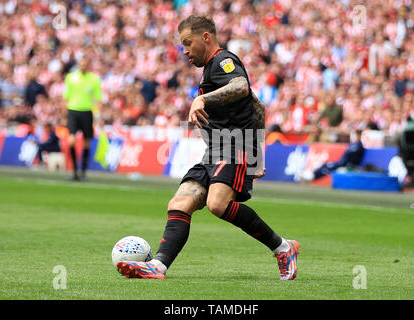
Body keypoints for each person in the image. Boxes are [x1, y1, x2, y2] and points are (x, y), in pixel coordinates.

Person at [116, 15, 300, 280]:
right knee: (180, 202)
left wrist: (201, 99)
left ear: (205, 37)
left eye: (187, 43)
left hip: (234, 147)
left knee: (217, 204)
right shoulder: (210, 70)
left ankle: (283, 247)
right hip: (214, 151)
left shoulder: (223, 61)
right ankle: (158, 266)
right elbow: (257, 106)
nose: (185, 51)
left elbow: (241, 86)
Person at [62, 57, 102, 181]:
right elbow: (66, 96)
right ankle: (74, 171)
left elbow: (98, 98)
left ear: (88, 65)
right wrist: (64, 114)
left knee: (86, 142)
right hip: (73, 111)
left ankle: (83, 172)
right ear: (79, 65)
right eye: (81, 64)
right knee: (71, 141)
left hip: (87, 111)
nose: (83, 66)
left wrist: (98, 115)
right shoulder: (71, 78)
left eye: (85, 64)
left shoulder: (94, 79)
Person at [301, 129, 365, 181]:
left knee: (329, 167)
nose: (354, 136)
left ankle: (313, 176)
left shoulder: (359, 145)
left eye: (356, 134)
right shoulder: (352, 144)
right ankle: (313, 174)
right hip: (341, 163)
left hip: (348, 165)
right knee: (325, 165)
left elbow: (350, 155)